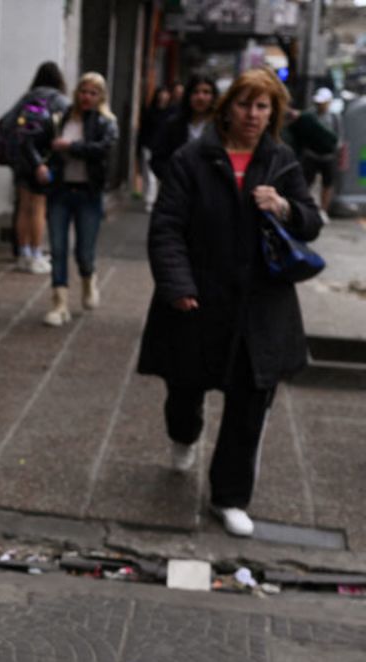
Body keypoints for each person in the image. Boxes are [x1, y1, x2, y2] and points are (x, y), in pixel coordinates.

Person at [137, 68, 322, 538]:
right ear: (227, 107)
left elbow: (310, 222)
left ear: (274, 112)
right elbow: (167, 227)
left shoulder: (281, 160)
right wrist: (177, 285)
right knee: (184, 388)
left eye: (263, 107)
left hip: (260, 306)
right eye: (245, 104)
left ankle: (230, 496)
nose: (253, 115)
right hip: (198, 299)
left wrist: (283, 207)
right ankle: (183, 434)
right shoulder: (192, 158)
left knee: (250, 401)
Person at [41, 72, 118, 327]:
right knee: (58, 248)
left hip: (89, 193)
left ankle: (88, 278)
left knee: (84, 251)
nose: (87, 97)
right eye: (83, 91)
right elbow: (44, 144)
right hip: (60, 191)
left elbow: (104, 149)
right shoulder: (60, 118)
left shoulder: (107, 122)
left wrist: (71, 147)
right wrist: (41, 165)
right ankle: (59, 303)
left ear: (100, 97)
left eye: (93, 93)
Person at [10, 62, 70, 274]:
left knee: (24, 206)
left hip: (22, 159)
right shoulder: (60, 101)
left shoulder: (28, 98)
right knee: (39, 207)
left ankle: (23, 253)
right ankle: (36, 253)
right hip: (44, 161)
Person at [150, 74, 218, 181]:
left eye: (206, 92)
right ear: (188, 96)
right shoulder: (173, 125)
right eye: (196, 92)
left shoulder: (220, 127)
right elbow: (157, 160)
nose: (200, 97)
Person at [298, 87, 343, 220]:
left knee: (327, 184)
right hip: (311, 155)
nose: (320, 105)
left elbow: (339, 137)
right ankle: (304, 207)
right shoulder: (310, 115)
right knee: (306, 182)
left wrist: (336, 151)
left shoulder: (334, 117)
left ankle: (323, 210)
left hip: (328, 156)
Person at [137, 86, 174, 212]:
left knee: (157, 176)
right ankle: (150, 200)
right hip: (149, 146)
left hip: (163, 148)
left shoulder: (171, 113)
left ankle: (154, 200)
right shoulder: (150, 112)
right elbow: (143, 131)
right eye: (161, 94)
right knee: (149, 175)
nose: (163, 97)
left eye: (165, 94)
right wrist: (140, 147)